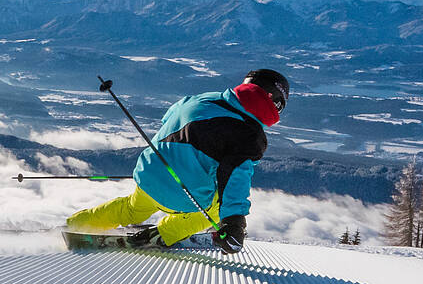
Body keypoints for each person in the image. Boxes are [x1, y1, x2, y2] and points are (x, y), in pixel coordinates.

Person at [66, 68, 288, 253]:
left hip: (149, 176)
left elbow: (168, 120)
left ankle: (74, 224)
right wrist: (233, 223)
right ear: (275, 104)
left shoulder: (202, 98)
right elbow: (235, 179)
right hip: (186, 196)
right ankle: (163, 234)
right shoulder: (250, 136)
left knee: (130, 209)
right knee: (213, 212)